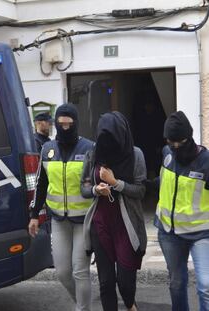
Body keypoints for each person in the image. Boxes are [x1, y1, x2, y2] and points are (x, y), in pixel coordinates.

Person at [29, 103, 94, 311]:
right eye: (61, 124)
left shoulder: (89, 149)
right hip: (58, 220)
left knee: (80, 271)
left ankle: (82, 309)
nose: (64, 127)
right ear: (55, 123)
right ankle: (83, 304)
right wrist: (33, 215)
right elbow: (41, 183)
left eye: (69, 124)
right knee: (62, 272)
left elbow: (95, 182)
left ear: (76, 123)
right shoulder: (47, 150)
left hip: (84, 219)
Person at [81, 111, 147, 311]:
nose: (107, 145)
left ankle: (130, 304)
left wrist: (114, 183)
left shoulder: (135, 154)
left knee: (126, 283)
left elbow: (141, 190)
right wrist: (95, 189)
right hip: (101, 224)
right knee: (105, 283)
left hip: (127, 225)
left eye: (112, 139)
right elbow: (83, 189)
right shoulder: (93, 153)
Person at [155, 111, 209, 311]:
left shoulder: (206, 162)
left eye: (180, 142)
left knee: (206, 285)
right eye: (171, 142)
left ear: (190, 136)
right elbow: (163, 184)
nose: (176, 147)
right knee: (176, 283)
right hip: (169, 233)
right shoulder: (166, 153)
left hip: (201, 233)